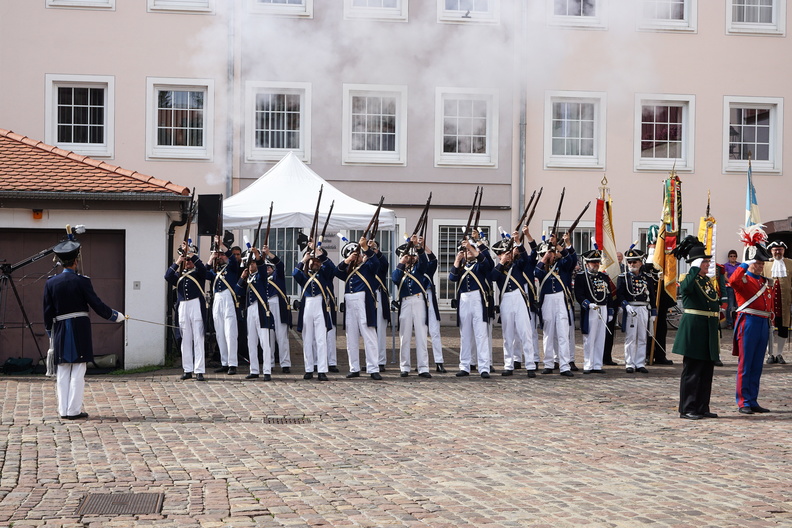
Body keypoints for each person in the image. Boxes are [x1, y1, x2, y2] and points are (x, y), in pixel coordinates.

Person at [43, 238, 125, 419]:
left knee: (63, 371)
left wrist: (51, 333)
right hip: (78, 329)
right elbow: (96, 304)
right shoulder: (82, 281)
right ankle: (74, 410)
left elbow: (47, 312)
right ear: (76, 261)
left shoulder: (51, 282)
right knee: (78, 370)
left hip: (60, 330)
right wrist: (115, 316)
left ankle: (63, 410)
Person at [672, 239, 720, 420]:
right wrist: (693, 267)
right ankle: (687, 408)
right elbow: (686, 289)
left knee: (706, 371)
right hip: (694, 330)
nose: (708, 264)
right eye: (704, 261)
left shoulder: (706, 281)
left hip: (708, 329)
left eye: (707, 261)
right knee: (692, 371)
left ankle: (702, 406)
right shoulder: (688, 278)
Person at [730, 227, 774, 414]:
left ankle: (753, 399)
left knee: (757, 364)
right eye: (757, 262)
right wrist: (744, 264)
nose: (761, 265)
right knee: (746, 363)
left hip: (763, 323)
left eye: (762, 263)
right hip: (748, 321)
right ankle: (743, 402)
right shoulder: (744, 279)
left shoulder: (765, 282)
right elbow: (732, 281)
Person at [489, 227, 538, 378]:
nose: (508, 256)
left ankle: (530, 364)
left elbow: (527, 258)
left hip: (519, 298)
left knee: (526, 332)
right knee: (507, 335)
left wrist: (518, 242)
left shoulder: (518, 265)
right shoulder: (497, 267)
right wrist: (501, 263)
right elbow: (492, 277)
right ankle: (508, 365)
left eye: (509, 253)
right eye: (505, 254)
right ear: (499, 255)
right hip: (506, 300)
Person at [335, 236, 382, 380]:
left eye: (358, 254)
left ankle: (373, 368)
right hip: (350, 301)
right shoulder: (348, 270)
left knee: (369, 335)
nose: (358, 257)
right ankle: (354, 367)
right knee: (351, 337)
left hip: (363, 301)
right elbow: (337, 272)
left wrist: (366, 249)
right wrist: (347, 261)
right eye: (354, 255)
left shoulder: (367, 266)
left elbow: (376, 263)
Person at [449, 237, 493, 378]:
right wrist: (457, 260)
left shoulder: (480, 265)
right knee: (465, 334)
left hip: (477, 298)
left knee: (481, 334)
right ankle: (464, 366)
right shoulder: (461, 266)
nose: (467, 252)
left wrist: (472, 248)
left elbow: (487, 264)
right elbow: (452, 278)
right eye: (466, 250)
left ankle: (484, 367)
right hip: (464, 299)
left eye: (470, 250)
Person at [165, 240, 208, 381]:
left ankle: (199, 370)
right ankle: (187, 369)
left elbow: (203, 269)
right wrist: (178, 260)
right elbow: (167, 276)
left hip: (196, 305)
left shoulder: (198, 273)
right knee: (185, 339)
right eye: (187, 260)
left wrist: (191, 253)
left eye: (190, 260)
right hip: (183, 306)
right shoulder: (179, 276)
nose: (188, 262)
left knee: (198, 337)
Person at [534, 233, 576, 377]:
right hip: (547, 301)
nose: (552, 255)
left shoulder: (562, 265)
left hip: (560, 299)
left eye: (553, 253)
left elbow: (571, 259)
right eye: (549, 253)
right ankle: (548, 363)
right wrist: (545, 258)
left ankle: (564, 366)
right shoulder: (541, 266)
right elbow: (536, 274)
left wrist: (559, 245)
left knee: (563, 334)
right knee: (548, 334)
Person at [293, 242, 335, 381]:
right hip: (307, 306)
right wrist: (303, 260)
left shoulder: (324, 273)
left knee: (321, 340)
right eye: (314, 260)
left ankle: (322, 370)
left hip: (320, 305)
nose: (316, 263)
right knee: (307, 339)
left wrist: (319, 253)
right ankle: (309, 369)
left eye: (318, 261)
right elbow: (294, 273)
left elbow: (331, 268)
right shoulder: (303, 275)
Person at [391, 236, 431, 378]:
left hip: (418, 300)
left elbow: (424, 262)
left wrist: (418, 247)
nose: (411, 258)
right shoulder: (399, 271)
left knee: (421, 334)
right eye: (408, 255)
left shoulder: (418, 269)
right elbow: (395, 278)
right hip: (405, 302)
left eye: (412, 255)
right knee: (405, 336)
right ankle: (404, 366)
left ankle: (423, 367)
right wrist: (402, 263)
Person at [574, 247, 616, 374]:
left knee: (600, 337)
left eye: (597, 262)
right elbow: (579, 294)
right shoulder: (581, 277)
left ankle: (597, 364)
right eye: (593, 262)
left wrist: (610, 310)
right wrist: (587, 304)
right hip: (591, 309)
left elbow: (608, 294)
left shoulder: (603, 276)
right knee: (589, 338)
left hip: (602, 308)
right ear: (587, 264)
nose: (596, 265)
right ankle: (588, 364)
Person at [235, 248, 274, 381]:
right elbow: (237, 291)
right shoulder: (247, 278)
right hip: (250, 310)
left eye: (253, 263)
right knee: (251, 341)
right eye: (249, 263)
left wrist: (257, 255)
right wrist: (242, 278)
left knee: (264, 342)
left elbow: (263, 269)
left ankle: (267, 370)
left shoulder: (260, 276)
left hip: (261, 309)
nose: (252, 265)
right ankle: (254, 369)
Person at [616, 247, 656, 374]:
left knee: (642, 336)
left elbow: (652, 295)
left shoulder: (647, 277)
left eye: (635, 262)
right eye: (630, 262)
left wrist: (653, 311)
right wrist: (625, 305)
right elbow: (620, 294)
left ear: (640, 263)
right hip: (631, 307)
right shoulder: (623, 277)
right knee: (631, 337)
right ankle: (629, 363)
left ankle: (640, 362)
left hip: (643, 307)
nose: (632, 265)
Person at [207, 236, 240, 375]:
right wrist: (210, 258)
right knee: (220, 332)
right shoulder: (216, 270)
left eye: (221, 254)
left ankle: (232, 363)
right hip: (217, 299)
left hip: (228, 298)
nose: (220, 256)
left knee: (230, 332)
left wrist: (222, 246)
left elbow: (232, 259)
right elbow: (204, 272)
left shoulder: (233, 267)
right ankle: (224, 362)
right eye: (218, 254)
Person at [262, 245, 292, 374]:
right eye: (266, 267)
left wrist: (269, 254)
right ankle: (270, 362)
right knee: (268, 337)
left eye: (270, 267)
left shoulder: (278, 275)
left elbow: (280, 265)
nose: (268, 269)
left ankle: (285, 363)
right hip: (266, 306)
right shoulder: (261, 278)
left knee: (282, 336)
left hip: (278, 304)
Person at [420, 238, 446, 372]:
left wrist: (424, 246)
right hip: (417, 301)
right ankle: (421, 363)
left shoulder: (427, 269)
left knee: (435, 332)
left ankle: (439, 361)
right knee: (421, 333)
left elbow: (433, 260)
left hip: (429, 299)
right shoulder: (411, 270)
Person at [764, 240, 791, 364]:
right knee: (768, 329)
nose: (778, 252)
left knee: (783, 328)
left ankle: (779, 354)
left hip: (784, 302)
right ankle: (770, 354)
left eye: (780, 249)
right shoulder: (765, 264)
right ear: (771, 251)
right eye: (775, 250)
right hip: (769, 303)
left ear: (784, 251)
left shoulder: (790, 263)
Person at [370, 239, 391, 372]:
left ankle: (381, 360)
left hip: (379, 296)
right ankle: (371, 360)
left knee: (380, 332)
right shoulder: (365, 263)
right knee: (369, 331)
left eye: (375, 249)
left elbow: (384, 264)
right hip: (367, 298)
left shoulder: (380, 264)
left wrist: (376, 251)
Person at [723, 249, 740, 329]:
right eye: (731, 256)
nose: (733, 258)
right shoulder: (726, 266)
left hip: (738, 287)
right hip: (729, 287)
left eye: (734, 256)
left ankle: (737, 322)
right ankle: (729, 323)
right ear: (728, 257)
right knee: (730, 305)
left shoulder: (739, 265)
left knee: (738, 305)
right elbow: (725, 276)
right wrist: (731, 281)